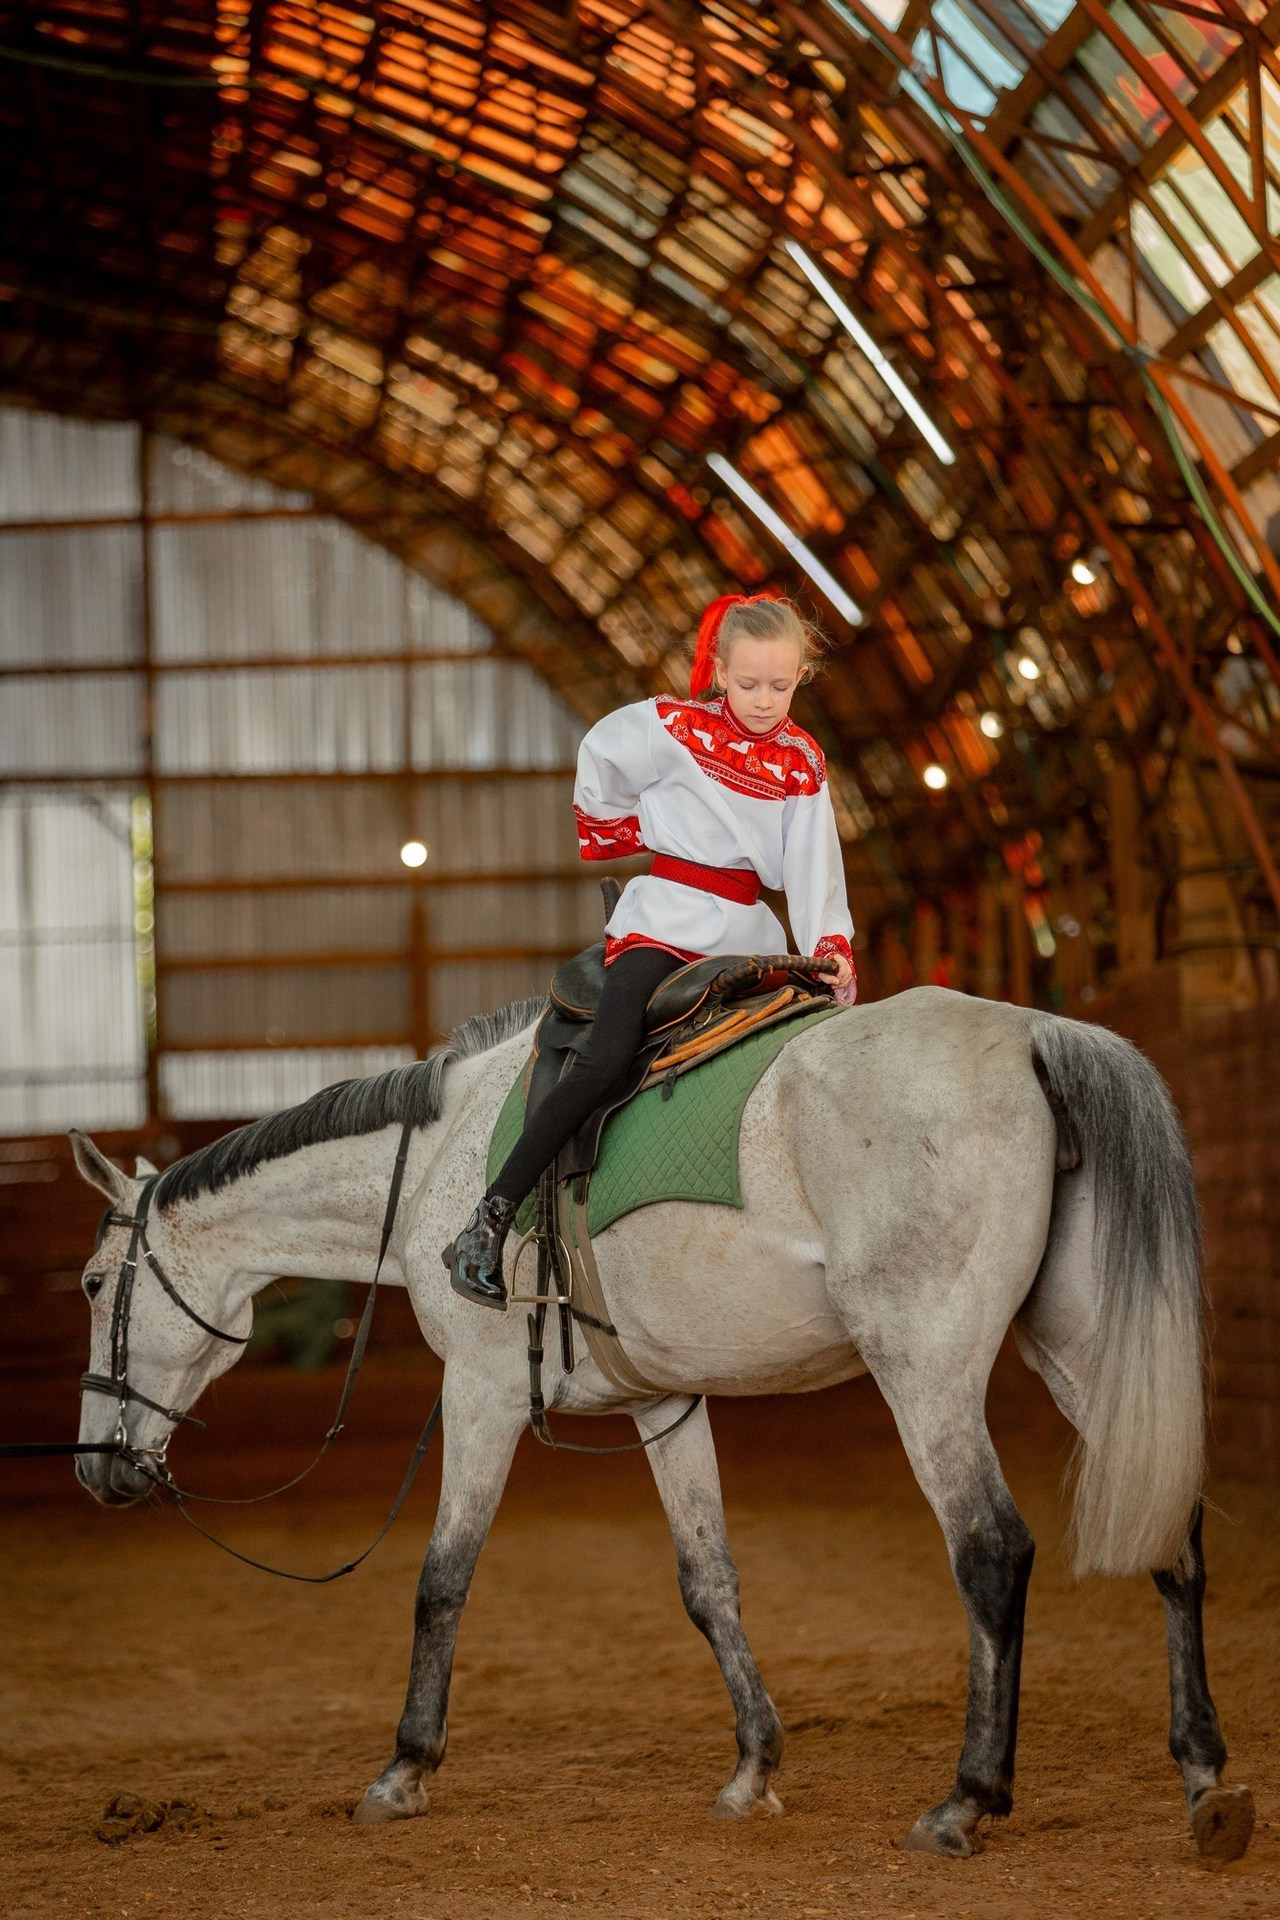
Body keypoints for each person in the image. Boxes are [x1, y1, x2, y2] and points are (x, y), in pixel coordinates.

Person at [444, 592, 857, 1310]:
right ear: (720, 672)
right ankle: (490, 1218)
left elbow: (816, 860)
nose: (764, 700)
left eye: (780, 685)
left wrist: (828, 944)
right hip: (665, 921)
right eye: (749, 683)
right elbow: (600, 755)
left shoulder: (803, 762)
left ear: (802, 675)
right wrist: (627, 828)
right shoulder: (670, 725)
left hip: (747, 929)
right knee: (605, 1056)